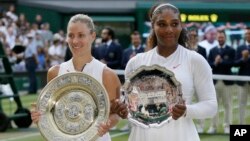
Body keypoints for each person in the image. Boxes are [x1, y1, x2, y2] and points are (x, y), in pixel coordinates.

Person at [124, 3, 217, 141]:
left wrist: (186, 110)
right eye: (162, 24)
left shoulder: (195, 60)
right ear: (153, 26)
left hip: (181, 136)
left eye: (174, 24)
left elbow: (211, 106)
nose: (169, 30)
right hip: (142, 136)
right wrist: (121, 108)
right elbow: (130, 106)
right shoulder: (136, 63)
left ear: (181, 26)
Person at [30, 14, 128, 141]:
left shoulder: (107, 74)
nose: (75, 41)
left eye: (81, 35)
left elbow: (114, 114)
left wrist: (107, 124)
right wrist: (39, 117)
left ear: (92, 36)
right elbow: (50, 113)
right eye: (71, 35)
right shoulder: (54, 72)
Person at [207, 30, 235, 134]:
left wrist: (222, 61)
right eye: (219, 37)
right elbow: (208, 64)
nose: (220, 39)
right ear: (216, 38)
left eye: (222, 37)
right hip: (214, 83)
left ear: (225, 38)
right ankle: (213, 127)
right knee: (214, 106)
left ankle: (227, 126)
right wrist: (215, 62)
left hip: (227, 82)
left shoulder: (231, 50)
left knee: (227, 105)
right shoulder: (212, 50)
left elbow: (233, 63)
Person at [234, 27, 250, 125]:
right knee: (241, 104)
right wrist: (243, 59)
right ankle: (241, 125)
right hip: (242, 81)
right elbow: (235, 64)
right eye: (247, 34)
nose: (248, 35)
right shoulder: (240, 48)